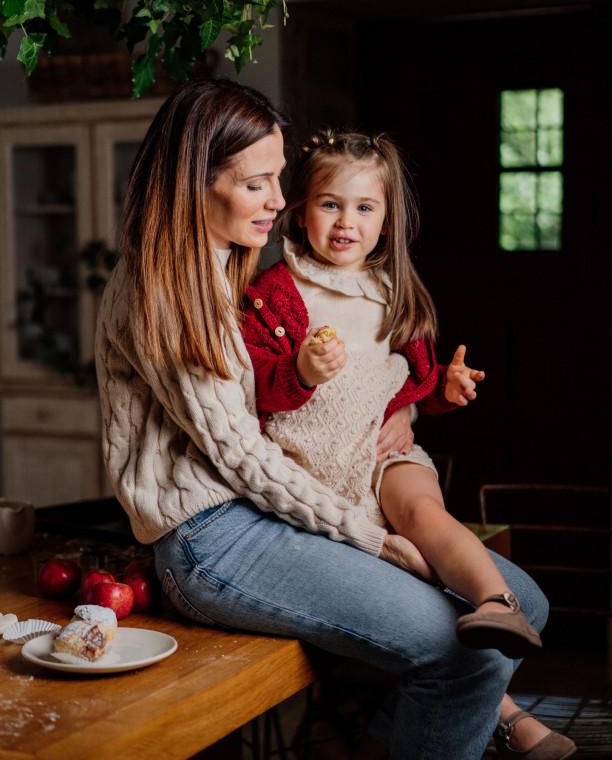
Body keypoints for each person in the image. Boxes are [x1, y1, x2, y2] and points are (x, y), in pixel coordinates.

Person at [94, 78, 567, 760]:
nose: (281, 201)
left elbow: (311, 408)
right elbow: (241, 455)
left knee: (525, 604)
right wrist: (369, 538)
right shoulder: (161, 289)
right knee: (459, 647)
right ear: (196, 183)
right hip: (209, 537)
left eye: (278, 179)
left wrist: (396, 418)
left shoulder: (229, 265)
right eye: (258, 184)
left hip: (271, 512)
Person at [240, 128, 540, 659]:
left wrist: (439, 390)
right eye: (330, 204)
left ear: (385, 221)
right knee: (417, 584)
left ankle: (497, 602)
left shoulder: (392, 294)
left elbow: (409, 382)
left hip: (384, 460)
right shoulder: (271, 295)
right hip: (314, 478)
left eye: (364, 207)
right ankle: (508, 715)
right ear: (301, 210)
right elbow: (255, 390)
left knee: (424, 515)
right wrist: (301, 372)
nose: (345, 222)